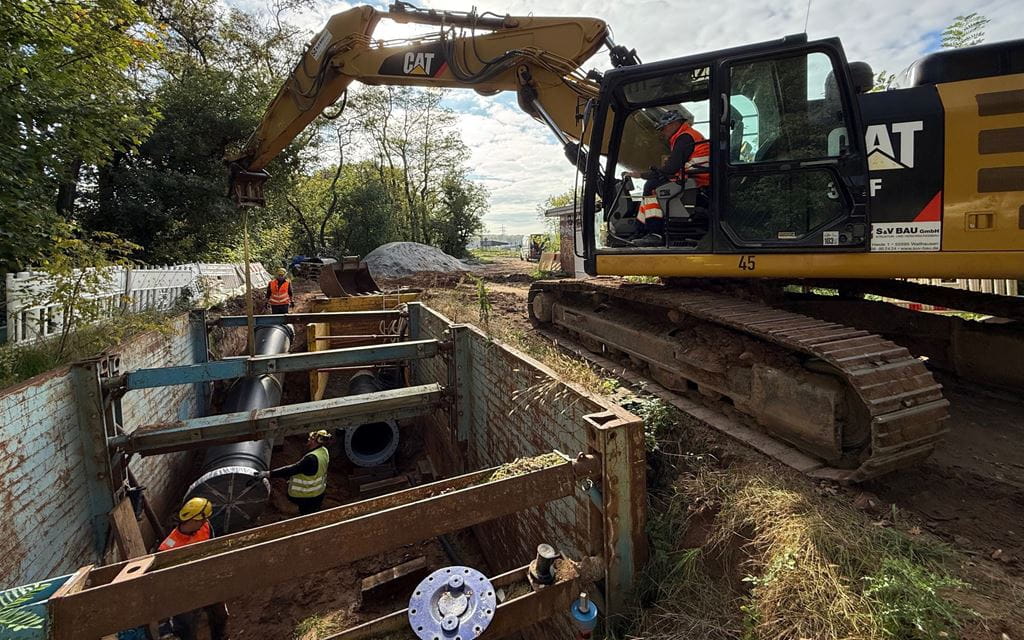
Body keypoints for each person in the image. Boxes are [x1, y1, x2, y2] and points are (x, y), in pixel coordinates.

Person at [624, 108, 711, 246]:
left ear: (674, 124)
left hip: (698, 180)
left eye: (663, 128)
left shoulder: (684, 138)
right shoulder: (688, 135)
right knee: (650, 189)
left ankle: (655, 233)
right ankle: (640, 230)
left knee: (651, 186)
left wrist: (643, 175)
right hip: (696, 177)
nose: (662, 133)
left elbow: (671, 168)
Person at [157, 497, 229, 640]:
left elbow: (212, 547)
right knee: (187, 628)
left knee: (220, 615)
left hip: (207, 580)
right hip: (185, 590)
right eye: (203, 519)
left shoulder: (205, 527)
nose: (205, 521)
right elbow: (166, 579)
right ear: (194, 520)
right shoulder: (168, 547)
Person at [259, 430, 332, 515]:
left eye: (310, 438)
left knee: (286, 505)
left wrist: (268, 473)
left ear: (314, 441)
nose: (308, 439)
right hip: (318, 494)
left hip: (304, 497)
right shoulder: (324, 451)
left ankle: (297, 511)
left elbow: (291, 470)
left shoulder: (310, 459)